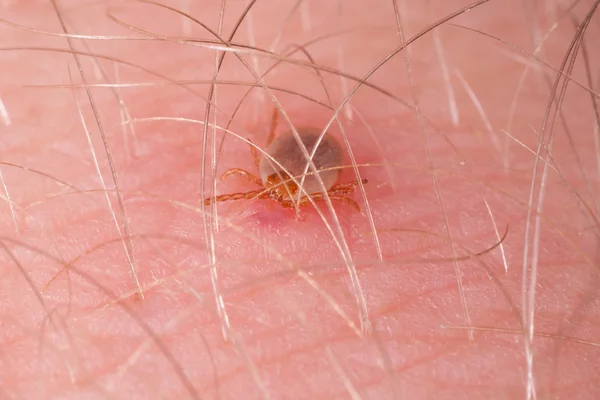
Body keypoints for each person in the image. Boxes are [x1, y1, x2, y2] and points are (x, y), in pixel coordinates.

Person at [1, 0, 597, 398]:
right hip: (314, 159)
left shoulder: (287, 179)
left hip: (311, 159)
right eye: (275, 189)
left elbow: (336, 186)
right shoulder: (303, 183)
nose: (279, 199)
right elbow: (336, 185)